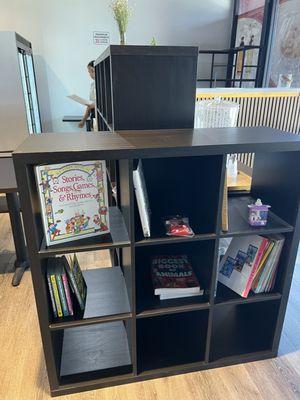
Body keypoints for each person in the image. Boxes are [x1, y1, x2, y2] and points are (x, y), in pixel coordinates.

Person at [78, 60, 96, 129]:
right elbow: (90, 105)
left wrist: (94, 105)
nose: (89, 74)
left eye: (89, 72)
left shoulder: (104, 84)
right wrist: (83, 120)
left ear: (93, 70)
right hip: (93, 116)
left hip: (101, 117)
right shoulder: (92, 85)